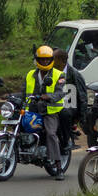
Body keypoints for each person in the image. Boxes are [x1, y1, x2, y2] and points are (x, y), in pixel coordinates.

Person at [27, 45, 67, 179]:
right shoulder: (30, 75)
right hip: (33, 109)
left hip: (50, 111)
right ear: (37, 60)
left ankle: (59, 167)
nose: (44, 62)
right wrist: (11, 96)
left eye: (47, 60)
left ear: (51, 60)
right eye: (42, 59)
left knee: (50, 134)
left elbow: (60, 93)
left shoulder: (59, 74)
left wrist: (48, 97)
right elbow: (24, 93)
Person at [54, 48, 88, 146]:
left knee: (64, 112)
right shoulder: (51, 72)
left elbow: (82, 95)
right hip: (55, 102)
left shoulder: (74, 74)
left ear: (62, 61)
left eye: (54, 59)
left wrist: (82, 117)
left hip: (71, 104)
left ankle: (65, 142)